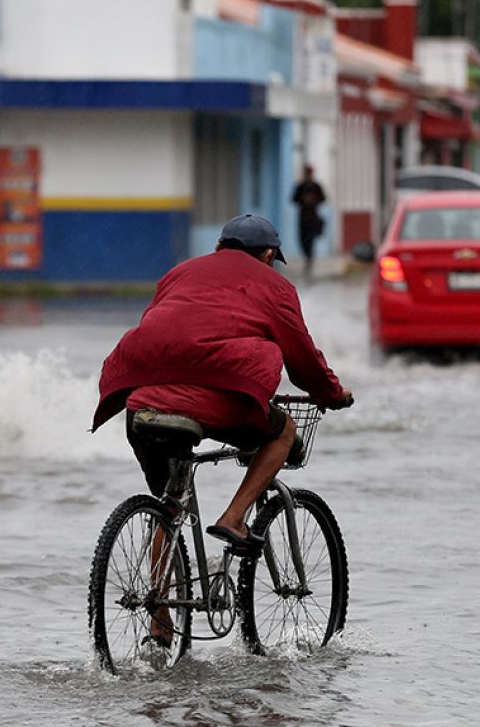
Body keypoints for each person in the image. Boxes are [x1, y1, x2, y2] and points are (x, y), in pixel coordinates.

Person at [94, 214, 352, 649]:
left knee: (169, 505)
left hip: (144, 401)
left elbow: (165, 332)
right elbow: (303, 358)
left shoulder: (178, 274)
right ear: (268, 255)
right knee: (282, 431)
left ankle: (160, 621)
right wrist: (332, 393)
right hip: (214, 396)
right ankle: (234, 518)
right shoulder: (274, 286)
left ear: (218, 247)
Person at [290, 166, 327, 274]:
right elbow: (294, 199)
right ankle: (307, 257)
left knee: (310, 240)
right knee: (302, 240)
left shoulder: (316, 186)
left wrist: (313, 199)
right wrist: (303, 199)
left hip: (313, 218)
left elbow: (323, 198)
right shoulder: (301, 186)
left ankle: (309, 259)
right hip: (303, 218)